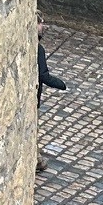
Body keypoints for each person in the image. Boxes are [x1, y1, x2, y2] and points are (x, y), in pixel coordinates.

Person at [36, 19, 65, 175]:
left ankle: (37, 160)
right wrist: (61, 84)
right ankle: (37, 160)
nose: (43, 26)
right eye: (40, 23)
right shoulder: (38, 49)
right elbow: (43, 75)